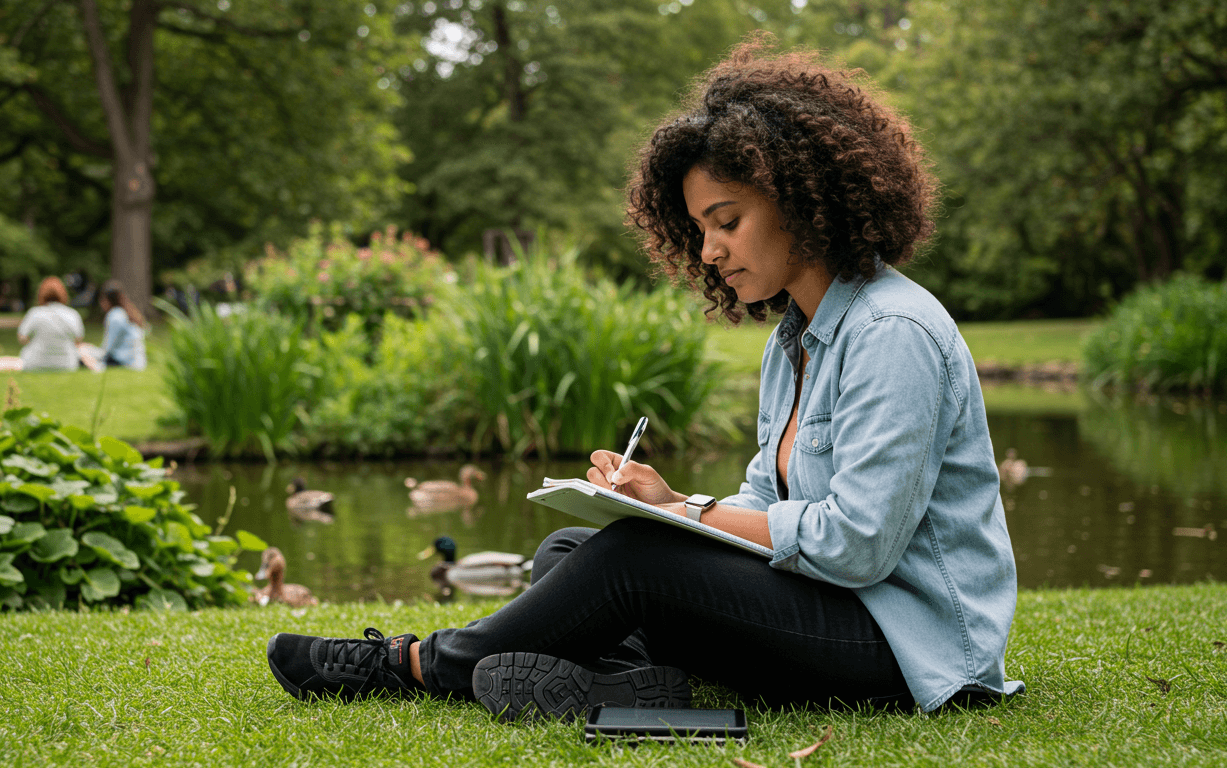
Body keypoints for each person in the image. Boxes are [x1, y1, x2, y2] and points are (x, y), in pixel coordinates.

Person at [263, 34, 1023, 719]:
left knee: (630, 560)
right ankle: (626, 685)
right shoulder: (795, 339)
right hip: (829, 608)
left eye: (727, 221)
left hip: (902, 645)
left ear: (803, 200)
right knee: (572, 549)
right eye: (699, 229)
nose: (710, 251)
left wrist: (684, 514)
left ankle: (415, 664)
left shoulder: (892, 333)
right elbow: (767, 503)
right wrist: (661, 506)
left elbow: (857, 546)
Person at [17, 276, 85, 371]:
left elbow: (22, 338)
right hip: (67, 364)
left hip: (35, 363)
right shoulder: (72, 314)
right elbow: (78, 339)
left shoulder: (35, 313)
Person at [93, 280, 147, 370]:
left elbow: (109, 346)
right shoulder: (127, 313)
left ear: (107, 300)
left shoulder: (115, 316)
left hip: (124, 361)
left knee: (83, 351)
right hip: (137, 361)